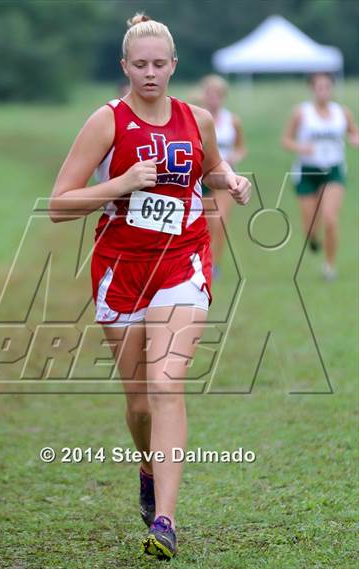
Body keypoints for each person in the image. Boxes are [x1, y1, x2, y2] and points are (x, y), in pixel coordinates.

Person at [49, 13, 251, 560]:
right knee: (139, 403)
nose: (150, 73)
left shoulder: (197, 118)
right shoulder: (107, 122)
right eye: (140, 64)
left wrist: (231, 179)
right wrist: (119, 183)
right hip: (121, 270)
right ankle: (146, 466)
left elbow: (209, 168)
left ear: (174, 65)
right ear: (125, 66)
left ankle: (165, 521)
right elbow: (59, 204)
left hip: (182, 262)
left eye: (160, 63)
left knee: (165, 386)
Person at [281, 72, 359, 280]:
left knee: (330, 218)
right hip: (307, 172)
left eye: (326, 86)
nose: (323, 91)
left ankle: (329, 266)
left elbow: (354, 133)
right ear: (312, 89)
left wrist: (354, 139)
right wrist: (300, 147)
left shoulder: (342, 112)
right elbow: (286, 140)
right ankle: (313, 238)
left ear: (332, 88)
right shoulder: (301, 113)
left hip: (333, 171)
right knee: (310, 226)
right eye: (319, 87)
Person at [199, 75, 247, 278]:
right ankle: (200, 261)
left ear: (223, 96)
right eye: (210, 94)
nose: (213, 98)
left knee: (220, 222)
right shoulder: (197, 119)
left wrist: (236, 156)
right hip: (202, 177)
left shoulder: (232, 120)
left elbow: (241, 147)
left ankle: (214, 264)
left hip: (225, 177)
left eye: (217, 94)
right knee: (205, 224)